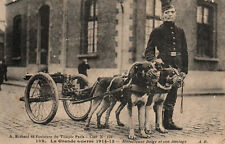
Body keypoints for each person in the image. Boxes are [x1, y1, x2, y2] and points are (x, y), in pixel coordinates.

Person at [144, 0, 188, 130]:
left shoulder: (180, 31)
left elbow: (185, 51)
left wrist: (185, 69)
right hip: (163, 68)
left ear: (175, 14)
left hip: (177, 67)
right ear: (162, 16)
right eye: (167, 13)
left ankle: (168, 121)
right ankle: (159, 122)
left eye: (172, 12)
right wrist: (154, 60)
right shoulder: (157, 31)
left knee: (173, 94)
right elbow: (149, 50)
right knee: (160, 94)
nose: (169, 15)